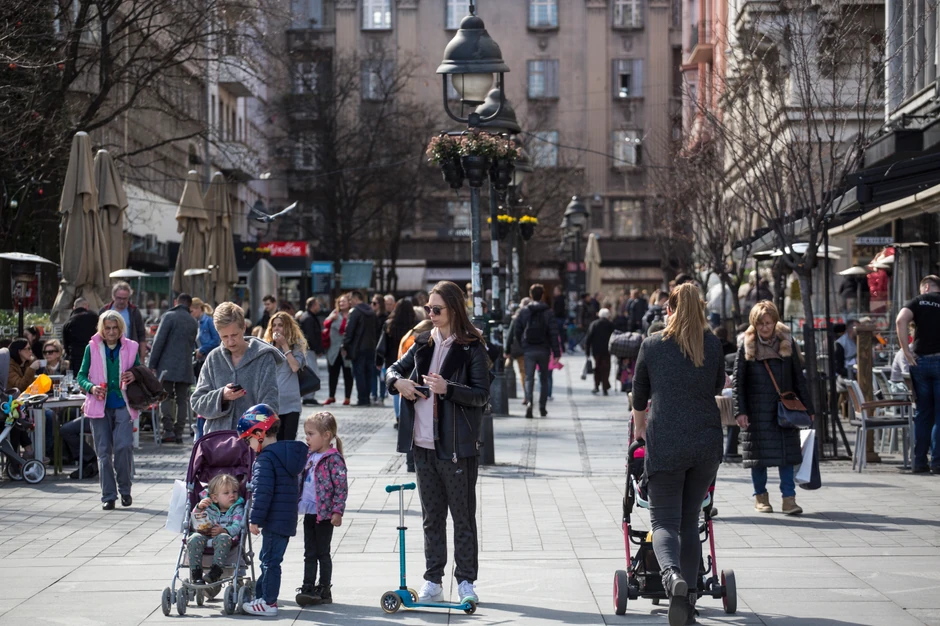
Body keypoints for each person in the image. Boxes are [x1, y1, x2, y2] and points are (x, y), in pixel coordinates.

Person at [386, 280, 490, 605]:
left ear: (454, 309)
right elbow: (391, 370)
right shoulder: (422, 344)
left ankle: (466, 581)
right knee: (432, 517)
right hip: (422, 445)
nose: (431, 314)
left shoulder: (472, 347)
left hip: (456, 447)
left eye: (437, 309)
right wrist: (398, 382)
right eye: (428, 308)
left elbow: (482, 396)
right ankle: (433, 580)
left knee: (462, 517)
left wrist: (449, 388)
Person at [631, 283, 725, 626]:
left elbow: (639, 396)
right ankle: (688, 602)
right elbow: (717, 386)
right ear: (701, 310)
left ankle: (671, 578)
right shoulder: (712, 344)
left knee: (664, 522)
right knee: (689, 521)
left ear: (668, 311)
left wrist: (640, 428)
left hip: (666, 442)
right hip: (706, 444)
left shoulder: (653, 345)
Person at [733, 300, 814, 515]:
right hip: (756, 411)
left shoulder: (787, 343)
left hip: (783, 411)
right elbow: (738, 382)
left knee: (787, 457)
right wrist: (740, 411)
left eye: (768, 323)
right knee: (758, 458)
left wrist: (809, 408)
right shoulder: (746, 347)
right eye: (760, 324)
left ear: (775, 321)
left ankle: (789, 499)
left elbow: (799, 379)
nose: (765, 328)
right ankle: (760, 497)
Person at [237, 405, 308, 616]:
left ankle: (268, 603)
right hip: (285, 519)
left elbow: (262, 492)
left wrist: (254, 519)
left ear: (260, 434)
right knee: (270, 559)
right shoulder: (285, 456)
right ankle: (262, 597)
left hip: (273, 519)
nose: (247, 445)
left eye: (247, 439)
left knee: (269, 562)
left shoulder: (265, 460)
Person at [76, 310, 141, 510]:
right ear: (101, 329)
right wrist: (91, 387)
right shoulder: (92, 347)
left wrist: (133, 375)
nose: (111, 332)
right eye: (107, 328)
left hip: (123, 403)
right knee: (103, 452)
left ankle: (125, 490)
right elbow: (81, 376)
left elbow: (139, 370)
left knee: (123, 447)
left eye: (114, 328)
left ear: (120, 328)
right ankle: (108, 496)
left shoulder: (131, 347)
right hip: (99, 406)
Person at [191, 302, 282, 434]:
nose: (230, 341)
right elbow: (197, 403)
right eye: (224, 337)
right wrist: (222, 396)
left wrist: (250, 427)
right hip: (218, 443)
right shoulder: (213, 358)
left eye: (234, 335)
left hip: (253, 442)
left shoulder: (264, 358)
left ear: (244, 327)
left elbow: (271, 405)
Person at [295, 412, 348, 607]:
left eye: (310, 434)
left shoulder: (334, 459)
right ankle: (307, 586)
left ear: (326, 435)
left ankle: (324, 588)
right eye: (306, 434)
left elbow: (341, 488)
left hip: (325, 514)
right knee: (309, 551)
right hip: (310, 512)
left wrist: (337, 511)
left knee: (322, 553)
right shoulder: (309, 456)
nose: (307, 438)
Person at [896, 275, 940, 473]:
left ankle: (919, 461)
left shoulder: (918, 301)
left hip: (919, 360)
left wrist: (906, 350)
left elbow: (900, 320)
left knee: (923, 413)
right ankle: (937, 462)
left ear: (927, 287)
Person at [148, 293, 199, 444]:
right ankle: (179, 432)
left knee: (165, 396)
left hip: (167, 365)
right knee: (182, 400)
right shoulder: (193, 321)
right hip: (185, 365)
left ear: (176, 302)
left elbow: (159, 341)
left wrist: (152, 364)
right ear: (189, 305)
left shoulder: (169, 316)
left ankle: (168, 430)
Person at [187, 473, 245, 586]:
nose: (232, 495)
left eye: (234, 492)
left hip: (223, 538)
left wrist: (225, 530)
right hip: (204, 535)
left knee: (224, 538)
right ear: (214, 498)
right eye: (226, 493)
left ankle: (215, 571)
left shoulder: (237, 509)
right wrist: (199, 508)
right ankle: (196, 573)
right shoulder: (207, 506)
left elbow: (238, 525)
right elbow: (194, 521)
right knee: (193, 538)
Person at [514, 284, 560, 419]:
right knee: (544, 379)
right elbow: (553, 333)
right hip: (544, 349)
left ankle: (529, 403)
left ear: (530, 295)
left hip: (528, 349)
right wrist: (556, 353)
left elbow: (517, 330)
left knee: (529, 378)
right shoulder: (548, 312)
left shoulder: (524, 311)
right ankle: (542, 407)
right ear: (543, 295)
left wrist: (523, 343)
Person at [264, 311, 308, 442]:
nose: (276, 328)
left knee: (288, 441)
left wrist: (284, 346)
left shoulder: (297, 346)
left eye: (280, 325)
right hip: (272, 404)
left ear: (287, 327)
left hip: (291, 404)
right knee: (273, 442)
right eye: (274, 325)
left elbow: (295, 367)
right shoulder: (266, 347)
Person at [377, 299, 417, 425]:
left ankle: (399, 416)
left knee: (395, 390)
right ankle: (406, 415)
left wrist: (378, 361)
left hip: (392, 360)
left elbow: (382, 345)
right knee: (408, 387)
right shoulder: (415, 325)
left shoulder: (389, 324)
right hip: (410, 362)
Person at [342, 290, 377, 407]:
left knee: (359, 374)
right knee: (368, 374)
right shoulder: (371, 312)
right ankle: (366, 398)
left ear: (356, 299)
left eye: (351, 299)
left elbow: (349, 331)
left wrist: (345, 345)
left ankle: (362, 399)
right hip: (371, 348)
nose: (350, 302)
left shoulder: (355, 312)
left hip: (357, 349)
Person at [100, 281, 147, 359]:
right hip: (108, 352)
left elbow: (141, 335)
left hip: (129, 353)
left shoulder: (134, 311)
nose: (122, 301)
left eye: (125, 298)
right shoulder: (104, 310)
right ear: (113, 296)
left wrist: (142, 357)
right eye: (119, 298)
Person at [323, 295, 353, 406]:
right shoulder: (335, 313)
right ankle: (331, 396)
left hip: (346, 349)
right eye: (340, 302)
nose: (341, 304)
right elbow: (325, 323)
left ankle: (347, 397)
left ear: (349, 303)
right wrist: (331, 318)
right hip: (334, 349)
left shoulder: (352, 314)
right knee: (333, 373)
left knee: (348, 374)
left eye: (344, 302)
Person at [298, 297, 324, 406]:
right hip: (308, 350)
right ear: (313, 305)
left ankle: (309, 396)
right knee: (313, 373)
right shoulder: (308, 318)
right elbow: (311, 337)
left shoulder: (309, 317)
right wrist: (317, 349)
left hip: (309, 350)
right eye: (317, 304)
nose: (319, 307)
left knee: (313, 372)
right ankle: (308, 396)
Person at [63, 298, 99, 376]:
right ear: (86, 307)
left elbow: (65, 345)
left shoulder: (68, 322)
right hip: (93, 355)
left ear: (74, 308)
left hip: (76, 358)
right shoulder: (95, 317)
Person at [585, 308, 616, 395]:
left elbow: (588, 338)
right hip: (607, 350)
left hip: (596, 351)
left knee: (597, 368)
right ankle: (605, 387)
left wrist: (587, 351)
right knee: (606, 369)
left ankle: (596, 386)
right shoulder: (610, 324)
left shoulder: (594, 324)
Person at [505, 298, 531, 405]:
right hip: (531, 348)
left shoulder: (516, 317)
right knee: (529, 373)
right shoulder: (534, 316)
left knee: (523, 373)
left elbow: (510, 335)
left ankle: (527, 396)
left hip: (519, 350)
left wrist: (506, 350)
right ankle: (528, 395)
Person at [370, 295, 389, 405]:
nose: (372, 305)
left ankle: (381, 396)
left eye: (374, 303)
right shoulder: (371, 316)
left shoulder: (385, 317)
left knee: (381, 374)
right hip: (372, 348)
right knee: (373, 373)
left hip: (381, 348)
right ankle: (374, 395)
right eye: (372, 303)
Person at [552, 285, 568, 351]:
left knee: (558, 333)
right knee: (561, 333)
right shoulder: (563, 299)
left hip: (558, 318)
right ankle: (562, 347)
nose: (554, 292)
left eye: (555, 290)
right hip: (561, 318)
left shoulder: (559, 299)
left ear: (559, 291)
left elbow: (558, 310)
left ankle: (560, 347)